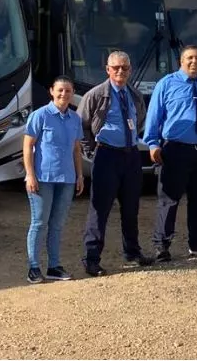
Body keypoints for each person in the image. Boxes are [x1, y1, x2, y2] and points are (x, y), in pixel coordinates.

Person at [144, 45, 197, 261]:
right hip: (175, 151)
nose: (194, 62)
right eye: (189, 58)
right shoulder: (167, 84)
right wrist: (152, 144)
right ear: (181, 61)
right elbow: (154, 116)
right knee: (169, 199)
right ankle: (162, 245)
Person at [77, 51, 153, 278]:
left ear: (130, 70)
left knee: (131, 208)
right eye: (116, 68)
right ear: (108, 69)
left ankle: (132, 252)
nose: (121, 71)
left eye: (125, 68)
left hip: (130, 157)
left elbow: (139, 120)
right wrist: (92, 152)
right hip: (106, 157)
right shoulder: (96, 95)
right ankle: (91, 259)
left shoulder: (135, 95)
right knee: (99, 210)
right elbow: (82, 126)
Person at [24, 76, 85, 284]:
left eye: (68, 91)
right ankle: (33, 267)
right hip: (42, 178)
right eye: (59, 90)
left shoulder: (75, 118)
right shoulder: (39, 116)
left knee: (57, 224)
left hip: (66, 179)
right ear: (51, 91)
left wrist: (79, 175)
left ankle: (54, 266)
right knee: (39, 222)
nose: (63, 94)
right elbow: (28, 147)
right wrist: (30, 174)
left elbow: (77, 149)